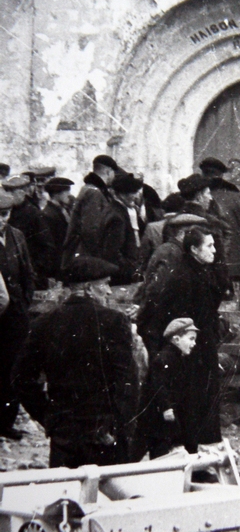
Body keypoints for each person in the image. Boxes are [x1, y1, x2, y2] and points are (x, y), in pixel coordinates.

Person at [12, 256, 139, 468]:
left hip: (64, 433)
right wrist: (119, 426)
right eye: (105, 284)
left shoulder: (44, 323)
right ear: (89, 289)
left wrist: (48, 417)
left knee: (66, 495)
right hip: (104, 432)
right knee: (109, 495)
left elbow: (20, 378)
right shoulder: (113, 321)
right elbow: (127, 381)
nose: (108, 292)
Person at [142, 227, 224, 451]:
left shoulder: (200, 272)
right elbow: (171, 314)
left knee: (200, 402)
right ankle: (188, 453)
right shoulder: (183, 276)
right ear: (194, 249)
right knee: (188, 403)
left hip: (199, 345)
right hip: (188, 350)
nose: (214, 250)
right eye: (209, 246)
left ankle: (199, 450)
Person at [136, 213, 208, 356]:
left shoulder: (174, 251)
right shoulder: (171, 253)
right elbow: (155, 290)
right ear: (182, 234)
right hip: (161, 325)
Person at [137, 318, 201, 458]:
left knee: (169, 443)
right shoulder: (164, 358)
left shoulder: (180, 359)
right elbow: (159, 385)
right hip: (158, 414)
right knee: (152, 445)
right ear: (176, 339)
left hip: (170, 413)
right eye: (191, 339)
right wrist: (166, 407)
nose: (194, 343)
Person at [0, 191, 34, 440]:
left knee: (13, 369)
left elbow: (27, 273)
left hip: (16, 316)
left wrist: (24, 302)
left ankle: (6, 422)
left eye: (5, 214)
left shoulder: (16, 236)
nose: (3, 220)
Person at [61, 154, 118, 277]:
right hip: (85, 258)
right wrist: (98, 261)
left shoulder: (88, 189)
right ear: (108, 172)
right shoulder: (94, 193)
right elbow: (91, 230)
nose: (114, 177)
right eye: (114, 173)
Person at [199, 157, 240, 280]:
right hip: (235, 263)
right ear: (221, 175)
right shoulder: (238, 197)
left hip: (207, 263)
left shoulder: (201, 197)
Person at [3, 174, 54, 289]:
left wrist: (33, 270)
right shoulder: (7, 212)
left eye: (12, 191)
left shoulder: (33, 214)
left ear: (23, 191)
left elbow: (47, 247)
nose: (8, 195)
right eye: (6, 191)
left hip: (29, 277)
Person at [106, 172, 144, 285]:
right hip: (121, 275)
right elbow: (114, 251)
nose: (136, 196)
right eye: (133, 192)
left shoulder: (116, 210)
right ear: (122, 194)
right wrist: (129, 269)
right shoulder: (117, 215)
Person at [41, 177, 74, 281]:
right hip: (58, 266)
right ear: (56, 194)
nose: (69, 194)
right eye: (66, 191)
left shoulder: (62, 210)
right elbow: (50, 246)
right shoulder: (49, 214)